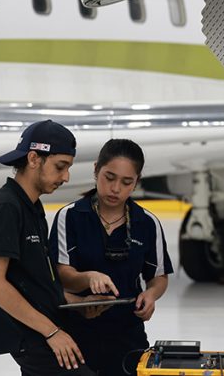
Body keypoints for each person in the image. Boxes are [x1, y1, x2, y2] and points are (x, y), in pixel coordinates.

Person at [0, 119, 101, 375]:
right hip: (31, 335)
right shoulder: (5, 208)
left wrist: (79, 302)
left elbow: (35, 282)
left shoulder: (31, 207)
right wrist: (52, 332)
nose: (66, 177)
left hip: (42, 329)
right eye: (60, 166)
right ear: (34, 158)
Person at [50, 139, 173, 375]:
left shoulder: (147, 223)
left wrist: (151, 295)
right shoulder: (70, 217)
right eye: (109, 177)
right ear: (96, 169)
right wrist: (88, 278)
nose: (116, 189)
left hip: (128, 335)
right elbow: (62, 275)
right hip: (77, 334)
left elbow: (158, 277)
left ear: (136, 183)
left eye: (127, 182)